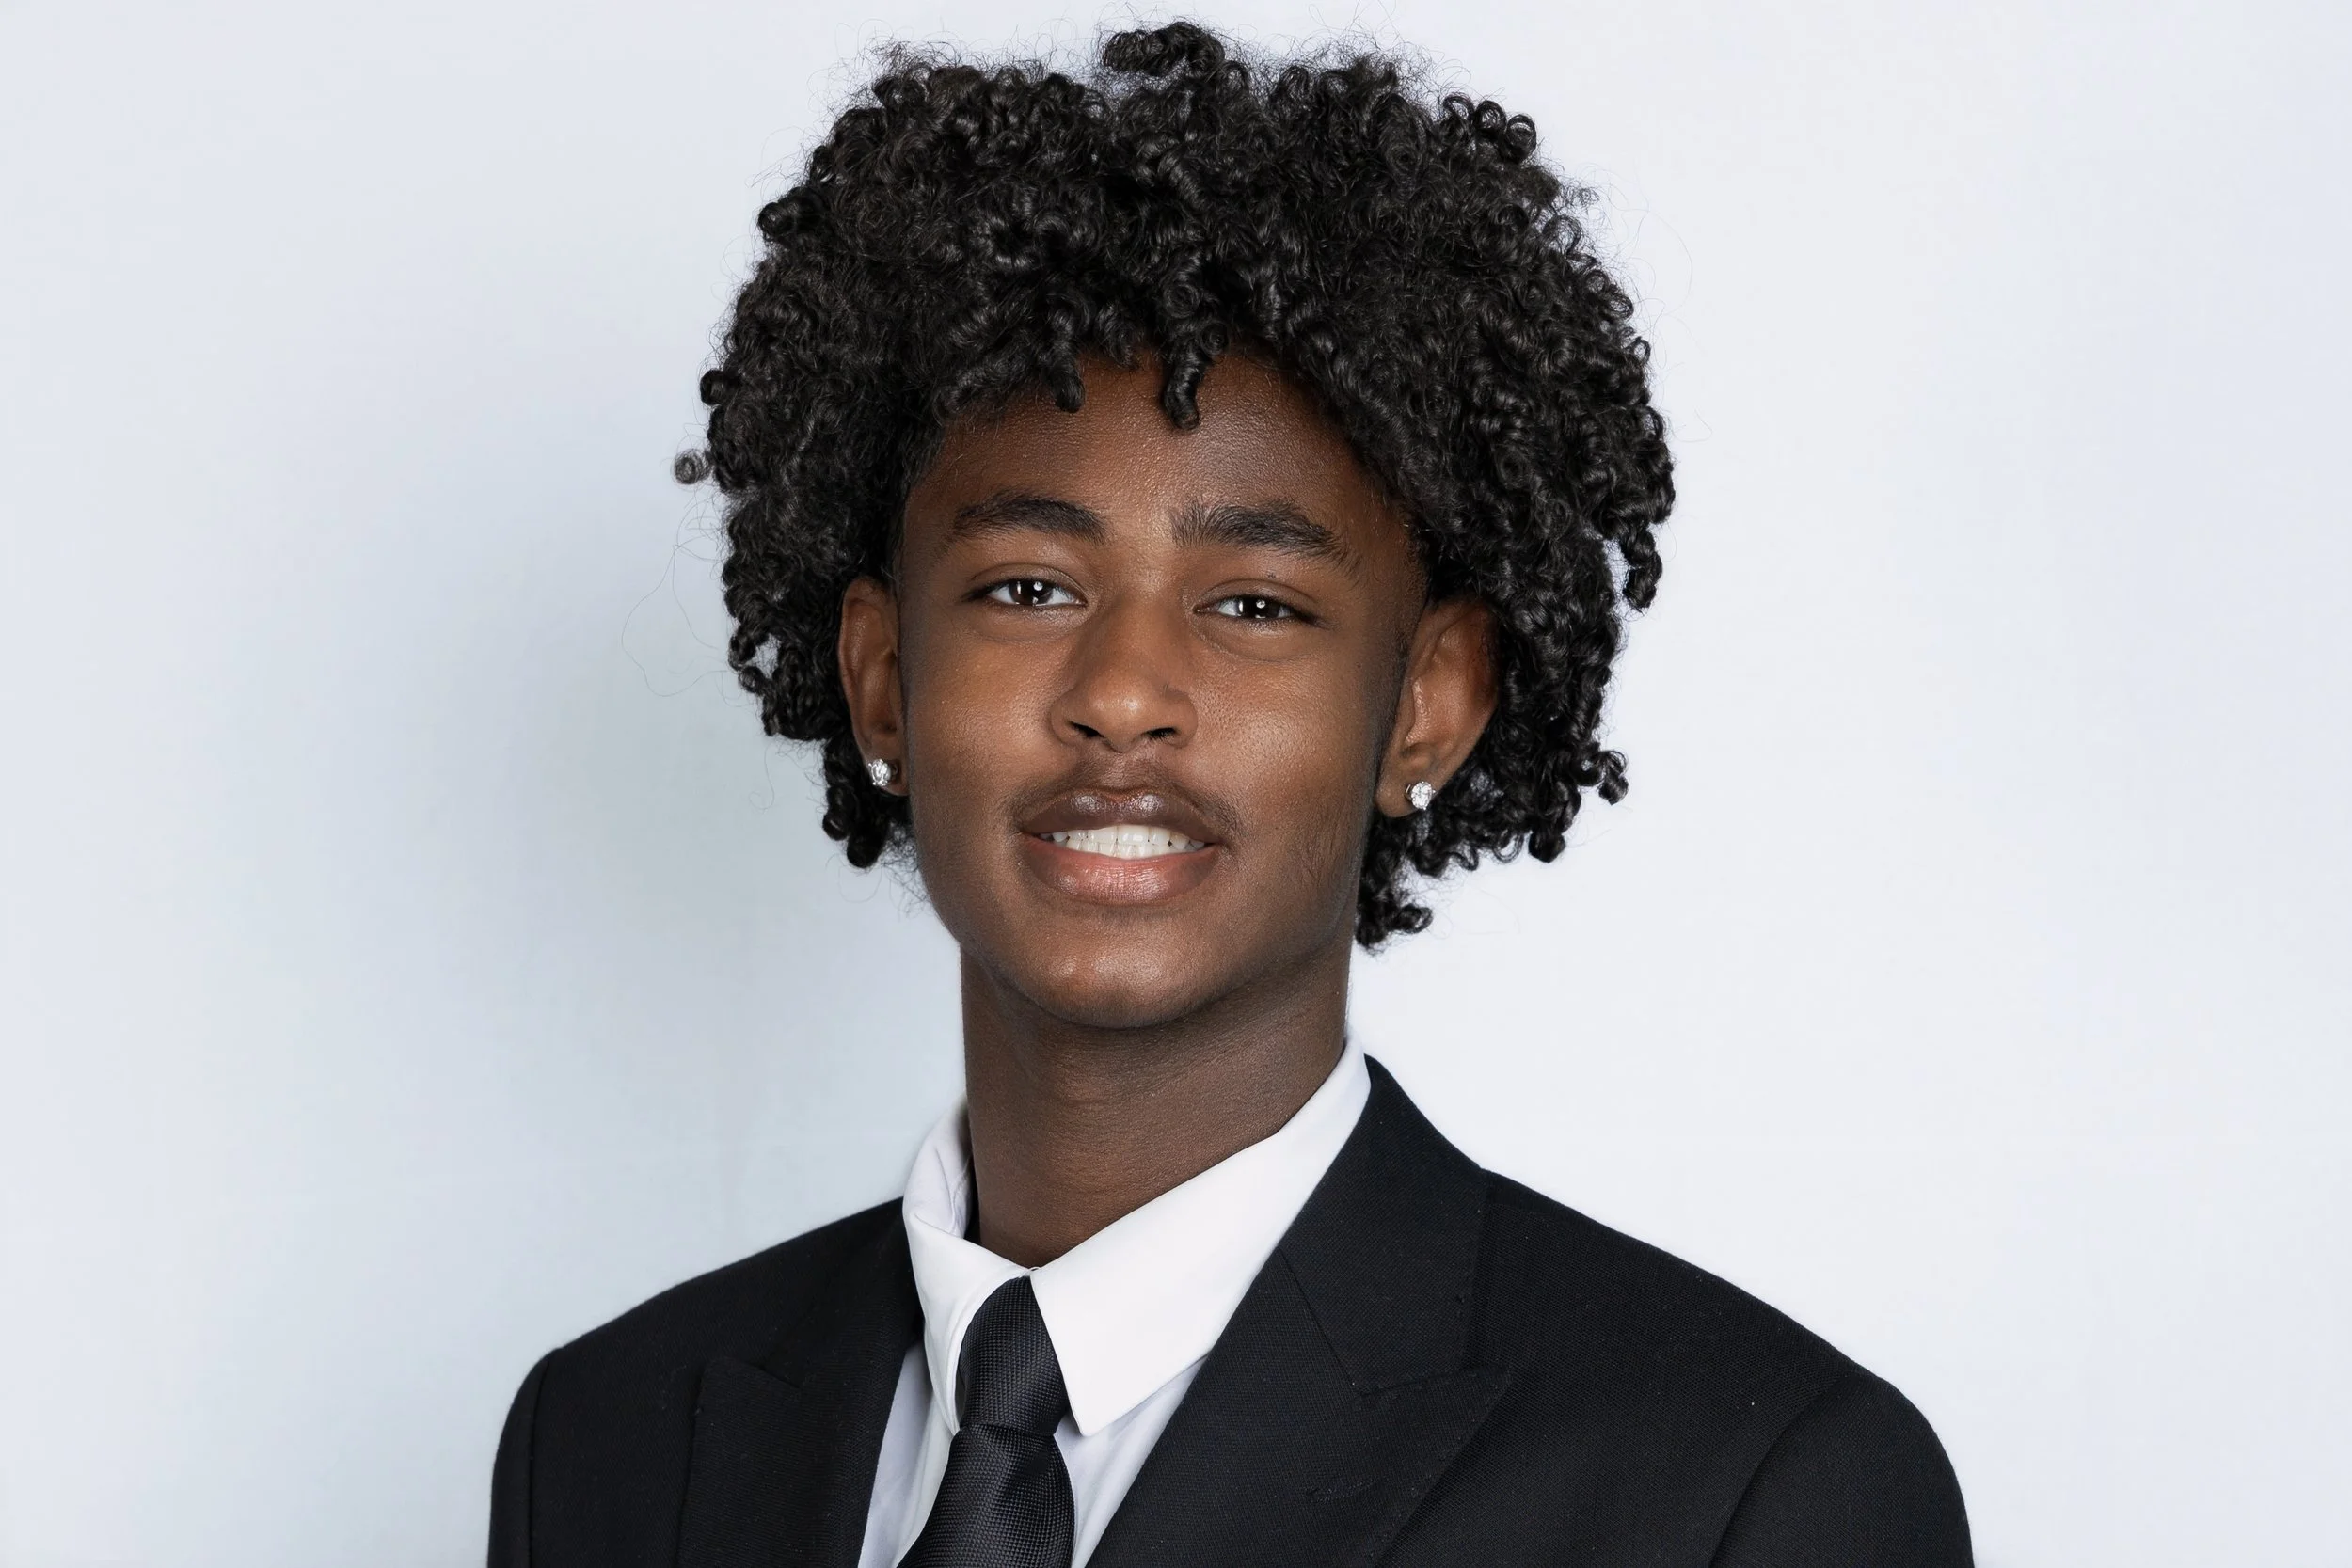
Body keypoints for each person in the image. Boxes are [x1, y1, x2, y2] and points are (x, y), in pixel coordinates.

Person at [487, 22, 1971, 1567]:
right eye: (1027, 585)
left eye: (1256, 603)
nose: (1124, 691)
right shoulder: (609, 1442)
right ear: (882, 678)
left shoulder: (1743, 1492)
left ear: (1427, 703)